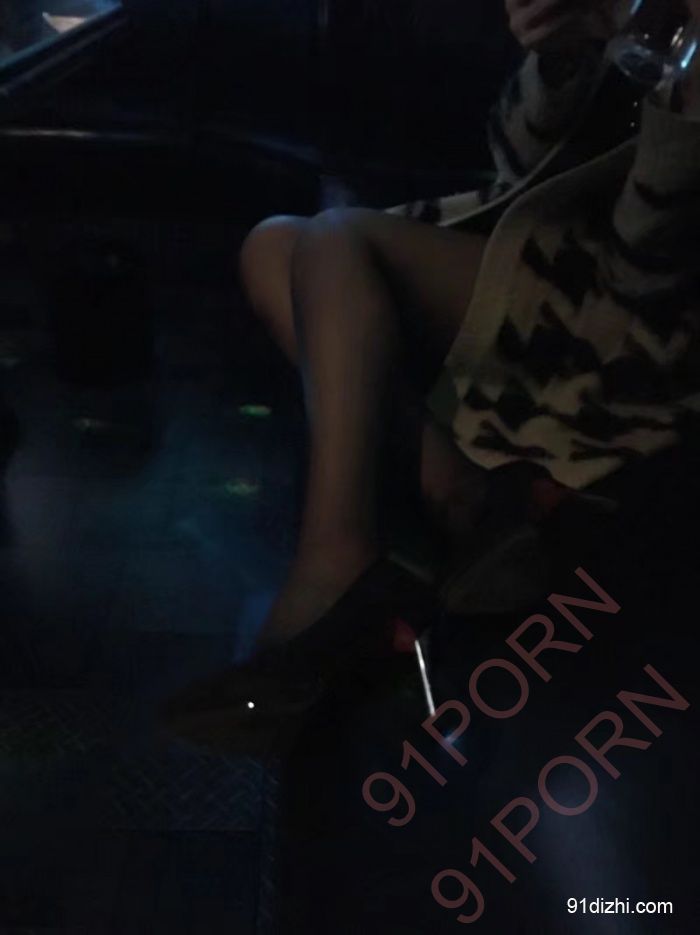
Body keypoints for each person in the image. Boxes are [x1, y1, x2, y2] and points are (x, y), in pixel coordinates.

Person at [166, 0, 700, 754]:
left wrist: (687, 94)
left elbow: (650, 269)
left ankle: (338, 560)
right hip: (550, 260)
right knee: (273, 245)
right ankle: (464, 496)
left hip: (640, 330)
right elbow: (515, 165)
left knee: (338, 238)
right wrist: (562, 58)